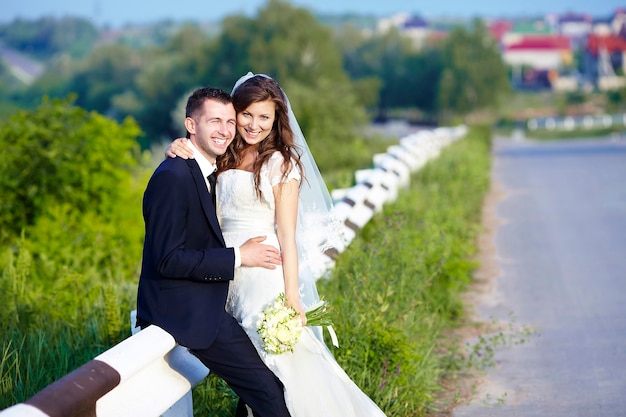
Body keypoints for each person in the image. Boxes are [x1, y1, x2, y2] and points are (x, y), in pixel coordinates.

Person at [167, 73, 387, 417]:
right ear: (234, 112)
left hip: (263, 278)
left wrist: (292, 297)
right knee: (255, 375)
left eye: (264, 117)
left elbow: (287, 235)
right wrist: (178, 147)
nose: (254, 125)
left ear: (276, 119)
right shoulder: (222, 156)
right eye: (247, 114)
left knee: (283, 370)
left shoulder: (281, 163)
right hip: (227, 273)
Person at [136, 86, 291, 417]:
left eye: (230, 121)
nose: (225, 130)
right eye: (214, 121)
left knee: (262, 391)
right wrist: (239, 257)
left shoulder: (206, 168)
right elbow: (167, 259)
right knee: (268, 392)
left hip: (210, 300)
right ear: (191, 126)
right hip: (186, 310)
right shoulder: (174, 176)